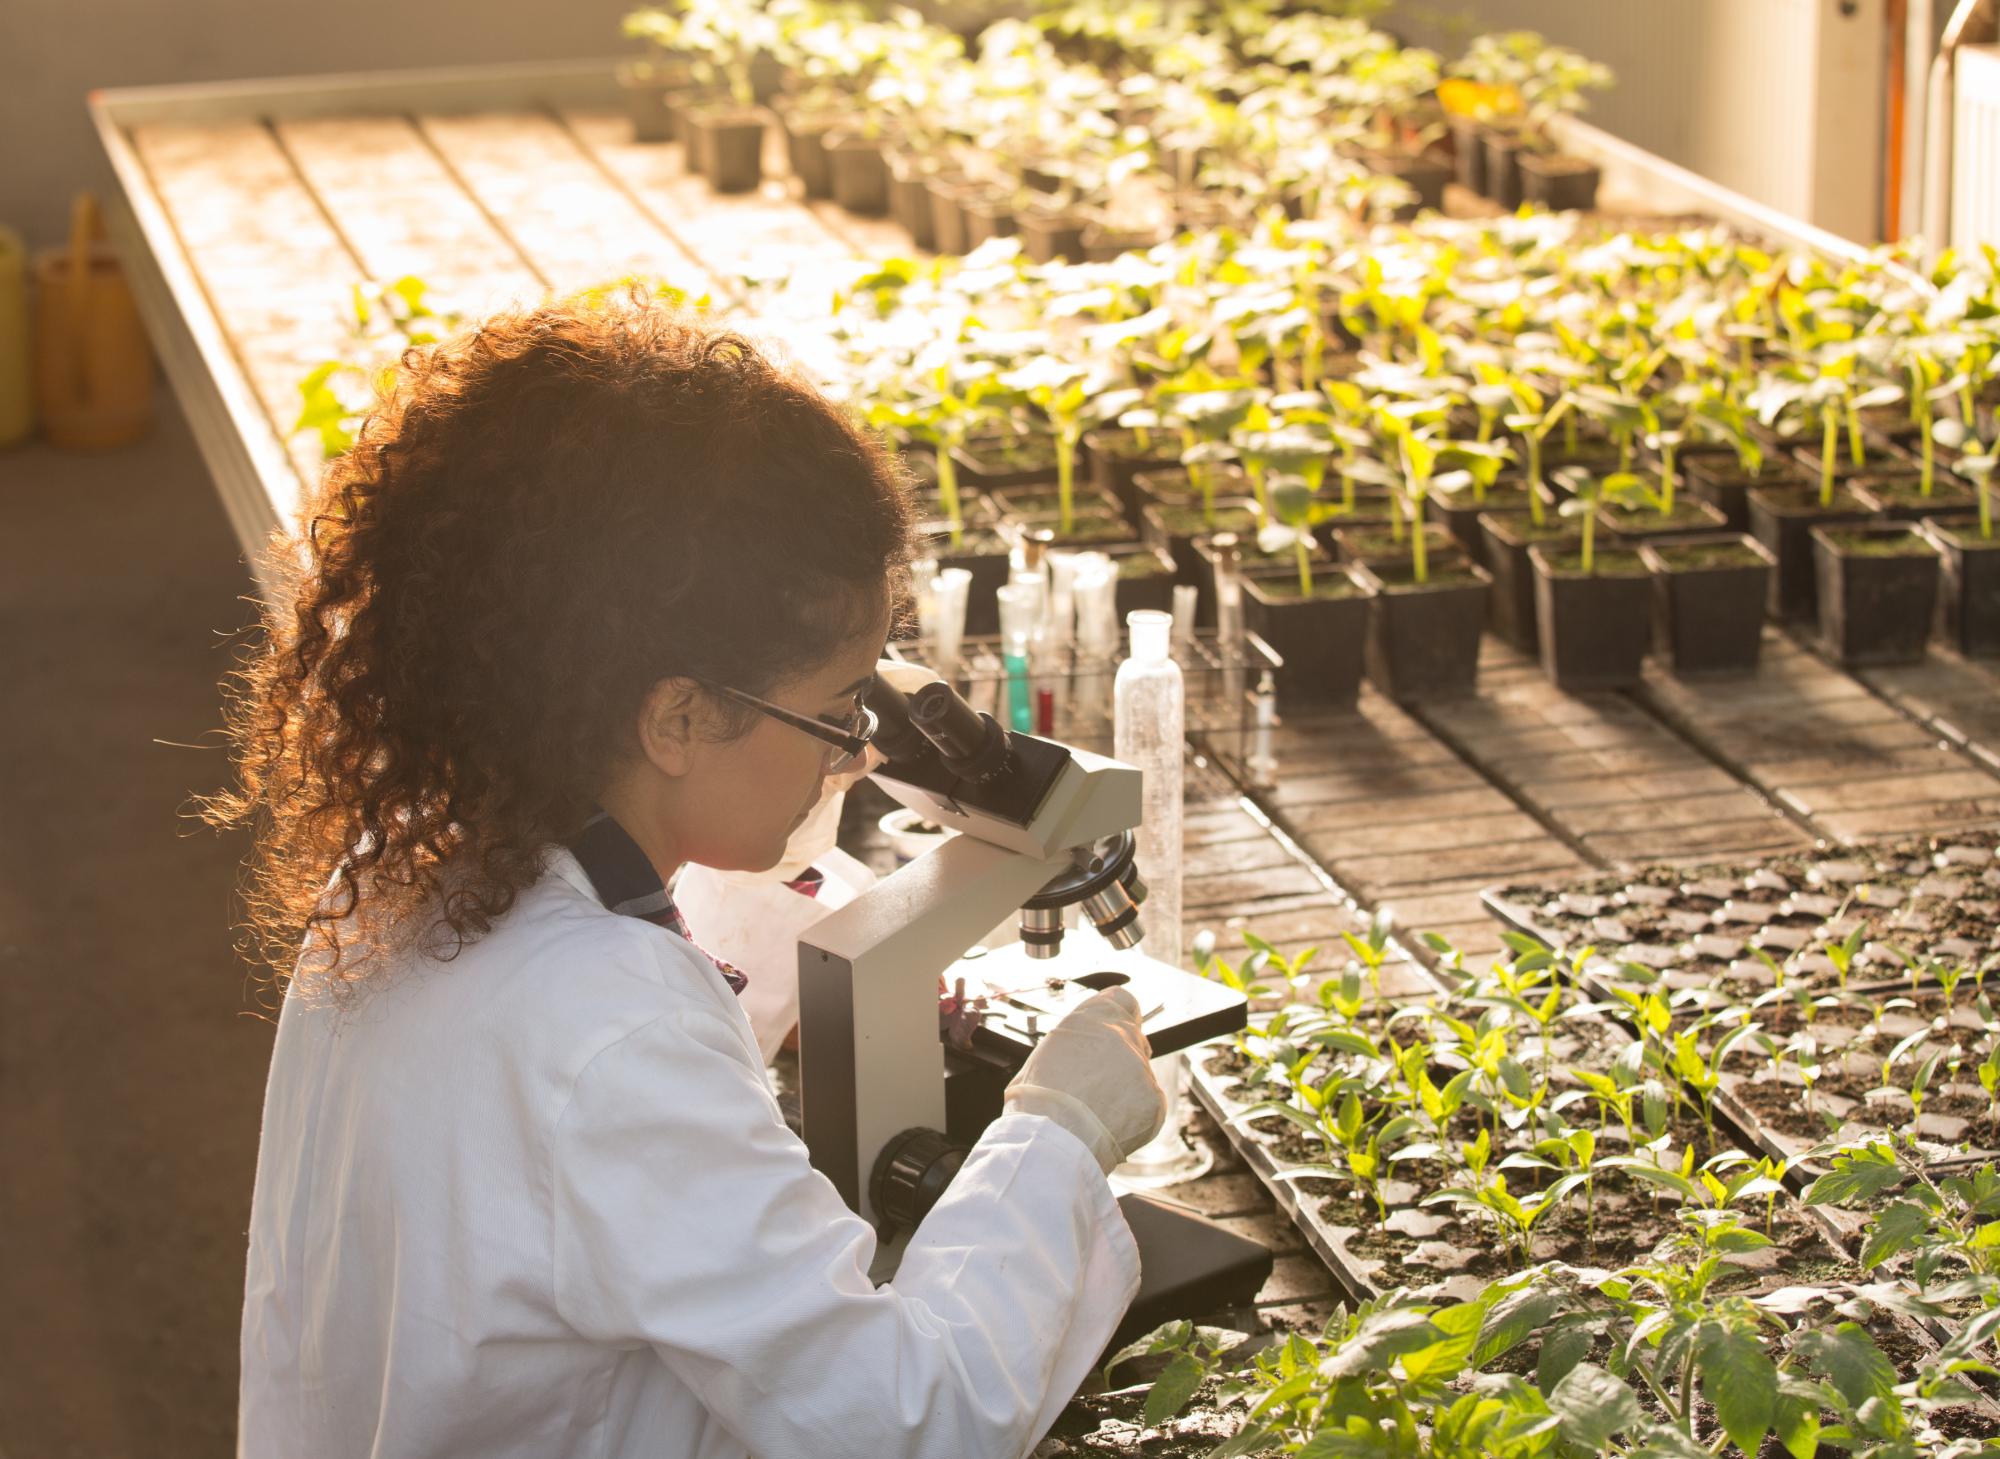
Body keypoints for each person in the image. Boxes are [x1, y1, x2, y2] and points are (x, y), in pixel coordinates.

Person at [211, 297, 1168, 1458]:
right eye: (831, 711)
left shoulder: (425, 847)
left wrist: (783, 855)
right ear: (676, 714)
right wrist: (1057, 1132)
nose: (857, 750)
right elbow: (909, 1420)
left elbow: (619, 977)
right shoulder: (614, 1028)